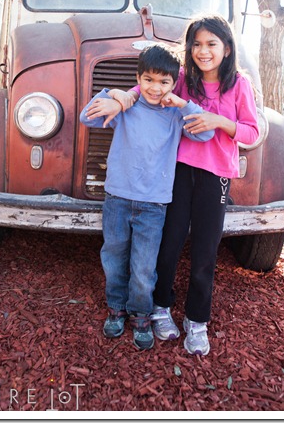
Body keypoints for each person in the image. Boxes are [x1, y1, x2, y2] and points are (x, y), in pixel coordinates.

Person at [86, 14, 259, 355]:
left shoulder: (239, 85)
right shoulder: (183, 78)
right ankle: (160, 307)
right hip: (178, 169)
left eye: (211, 44)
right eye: (196, 44)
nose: (203, 51)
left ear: (227, 47)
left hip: (215, 174)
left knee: (206, 250)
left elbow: (251, 132)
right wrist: (123, 97)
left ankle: (196, 321)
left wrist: (220, 121)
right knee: (167, 243)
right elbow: (149, 86)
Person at [79, 43, 214, 351]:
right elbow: (88, 117)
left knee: (143, 266)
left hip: (154, 203)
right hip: (117, 197)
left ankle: (141, 313)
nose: (155, 87)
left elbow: (205, 133)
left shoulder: (174, 115)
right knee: (114, 257)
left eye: (164, 82)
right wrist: (115, 94)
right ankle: (116, 309)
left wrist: (182, 104)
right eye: (149, 80)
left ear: (173, 84)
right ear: (138, 78)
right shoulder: (126, 108)